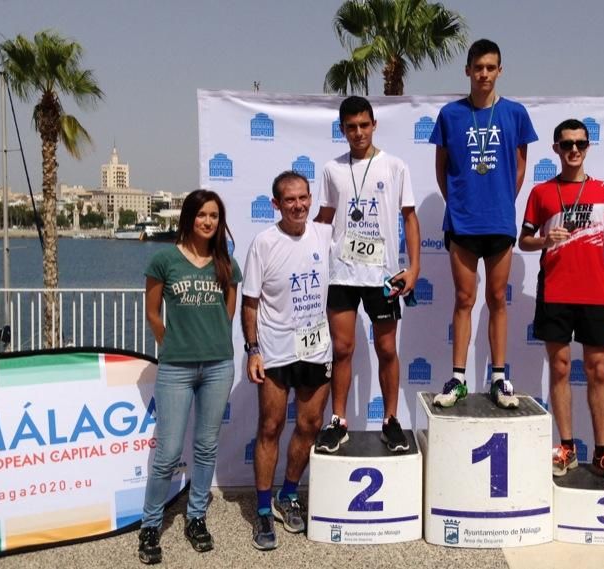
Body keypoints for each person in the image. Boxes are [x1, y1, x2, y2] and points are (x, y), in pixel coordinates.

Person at [518, 118, 604, 485]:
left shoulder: (603, 190)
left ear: (587, 147)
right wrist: (545, 240)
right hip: (555, 290)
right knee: (561, 368)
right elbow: (524, 241)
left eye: (580, 144)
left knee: (598, 369)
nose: (573, 150)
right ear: (555, 149)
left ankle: (602, 452)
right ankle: (566, 446)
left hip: (595, 292)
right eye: (566, 144)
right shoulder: (541, 192)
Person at [429, 38, 538, 409]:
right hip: (462, 222)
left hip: (499, 222)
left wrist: (501, 199)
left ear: (500, 70)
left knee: (496, 299)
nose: (484, 74)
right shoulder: (451, 115)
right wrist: (461, 201)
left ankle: (499, 378)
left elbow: (520, 166)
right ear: (468, 71)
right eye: (478, 68)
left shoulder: (516, 114)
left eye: (491, 67)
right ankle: (457, 378)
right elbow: (441, 169)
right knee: (464, 298)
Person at [137, 190, 242, 565]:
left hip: (217, 366)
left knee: (206, 447)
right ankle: (150, 525)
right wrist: (173, 344)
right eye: (201, 215)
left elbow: (228, 311)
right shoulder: (164, 259)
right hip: (176, 369)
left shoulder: (225, 262)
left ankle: (196, 517)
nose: (208, 222)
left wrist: (211, 339)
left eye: (214, 215)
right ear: (189, 218)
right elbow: (153, 313)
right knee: (166, 453)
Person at [313, 95, 421, 454]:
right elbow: (324, 218)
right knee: (342, 349)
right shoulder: (332, 170)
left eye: (364, 125)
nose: (358, 133)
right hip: (341, 273)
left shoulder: (395, 166)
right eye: (350, 127)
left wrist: (415, 266)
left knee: (387, 348)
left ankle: (390, 420)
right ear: (342, 130)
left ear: (374, 125)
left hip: (383, 275)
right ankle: (338, 421)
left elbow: (409, 217)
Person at [241, 171, 333, 550]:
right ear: (276, 204)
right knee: (271, 426)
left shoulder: (324, 234)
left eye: (303, 198)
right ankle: (263, 510)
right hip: (276, 350)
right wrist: (252, 349)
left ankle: (288, 494)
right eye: (289, 200)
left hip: (317, 348)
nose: (298, 206)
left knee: (310, 425)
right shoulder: (263, 243)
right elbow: (250, 302)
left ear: (311, 199)